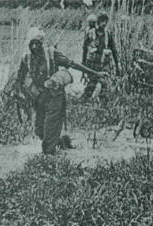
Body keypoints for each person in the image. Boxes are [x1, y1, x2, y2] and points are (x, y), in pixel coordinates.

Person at [12, 27, 107, 155]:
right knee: (39, 130)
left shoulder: (51, 54)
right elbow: (20, 79)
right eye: (32, 44)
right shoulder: (26, 59)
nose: (34, 47)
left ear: (42, 43)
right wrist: (21, 97)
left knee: (49, 128)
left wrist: (95, 73)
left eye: (37, 43)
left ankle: (48, 156)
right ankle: (61, 143)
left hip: (55, 96)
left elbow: (72, 64)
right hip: (40, 98)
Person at [81, 12, 122, 103]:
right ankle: (85, 102)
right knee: (91, 85)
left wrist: (118, 63)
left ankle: (103, 104)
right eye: (102, 21)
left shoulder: (108, 34)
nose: (104, 24)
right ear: (98, 22)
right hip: (92, 65)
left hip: (104, 64)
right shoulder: (90, 33)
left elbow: (114, 49)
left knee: (104, 85)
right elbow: (84, 49)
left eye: (105, 22)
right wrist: (83, 65)